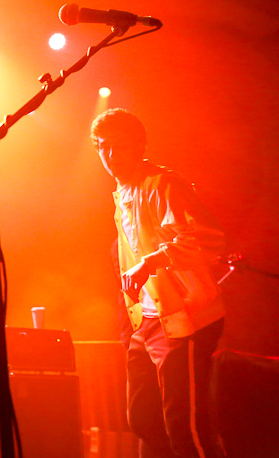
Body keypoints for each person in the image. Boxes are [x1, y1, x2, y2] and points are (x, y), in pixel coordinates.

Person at [91, 108, 227, 458]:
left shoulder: (162, 184)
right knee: (143, 420)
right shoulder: (121, 194)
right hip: (149, 322)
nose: (110, 155)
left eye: (119, 146)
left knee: (185, 426)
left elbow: (207, 238)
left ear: (140, 146)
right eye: (104, 147)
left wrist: (148, 264)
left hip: (187, 318)